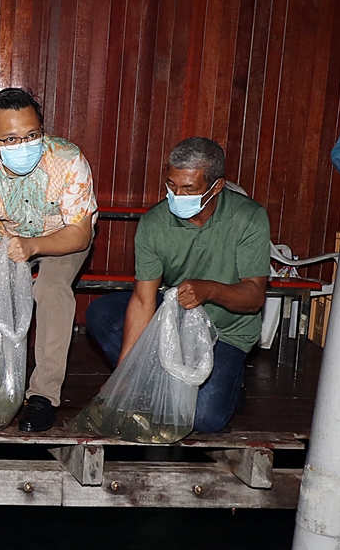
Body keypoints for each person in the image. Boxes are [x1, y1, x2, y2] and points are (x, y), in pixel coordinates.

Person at [85, 137, 269, 435]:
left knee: (203, 419)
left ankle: (233, 385)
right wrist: (123, 377)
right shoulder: (155, 223)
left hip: (227, 330)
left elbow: (254, 297)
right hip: (175, 317)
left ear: (216, 186)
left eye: (188, 189)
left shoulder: (248, 218)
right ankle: (151, 377)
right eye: (171, 185)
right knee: (103, 313)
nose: (176, 195)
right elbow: (144, 300)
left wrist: (209, 290)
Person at [0, 88, 96, 433]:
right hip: (4, 239)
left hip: (62, 235)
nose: (25, 145)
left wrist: (34, 246)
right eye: (12, 139)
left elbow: (81, 234)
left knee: (51, 287)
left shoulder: (68, 160)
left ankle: (44, 395)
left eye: (33, 135)